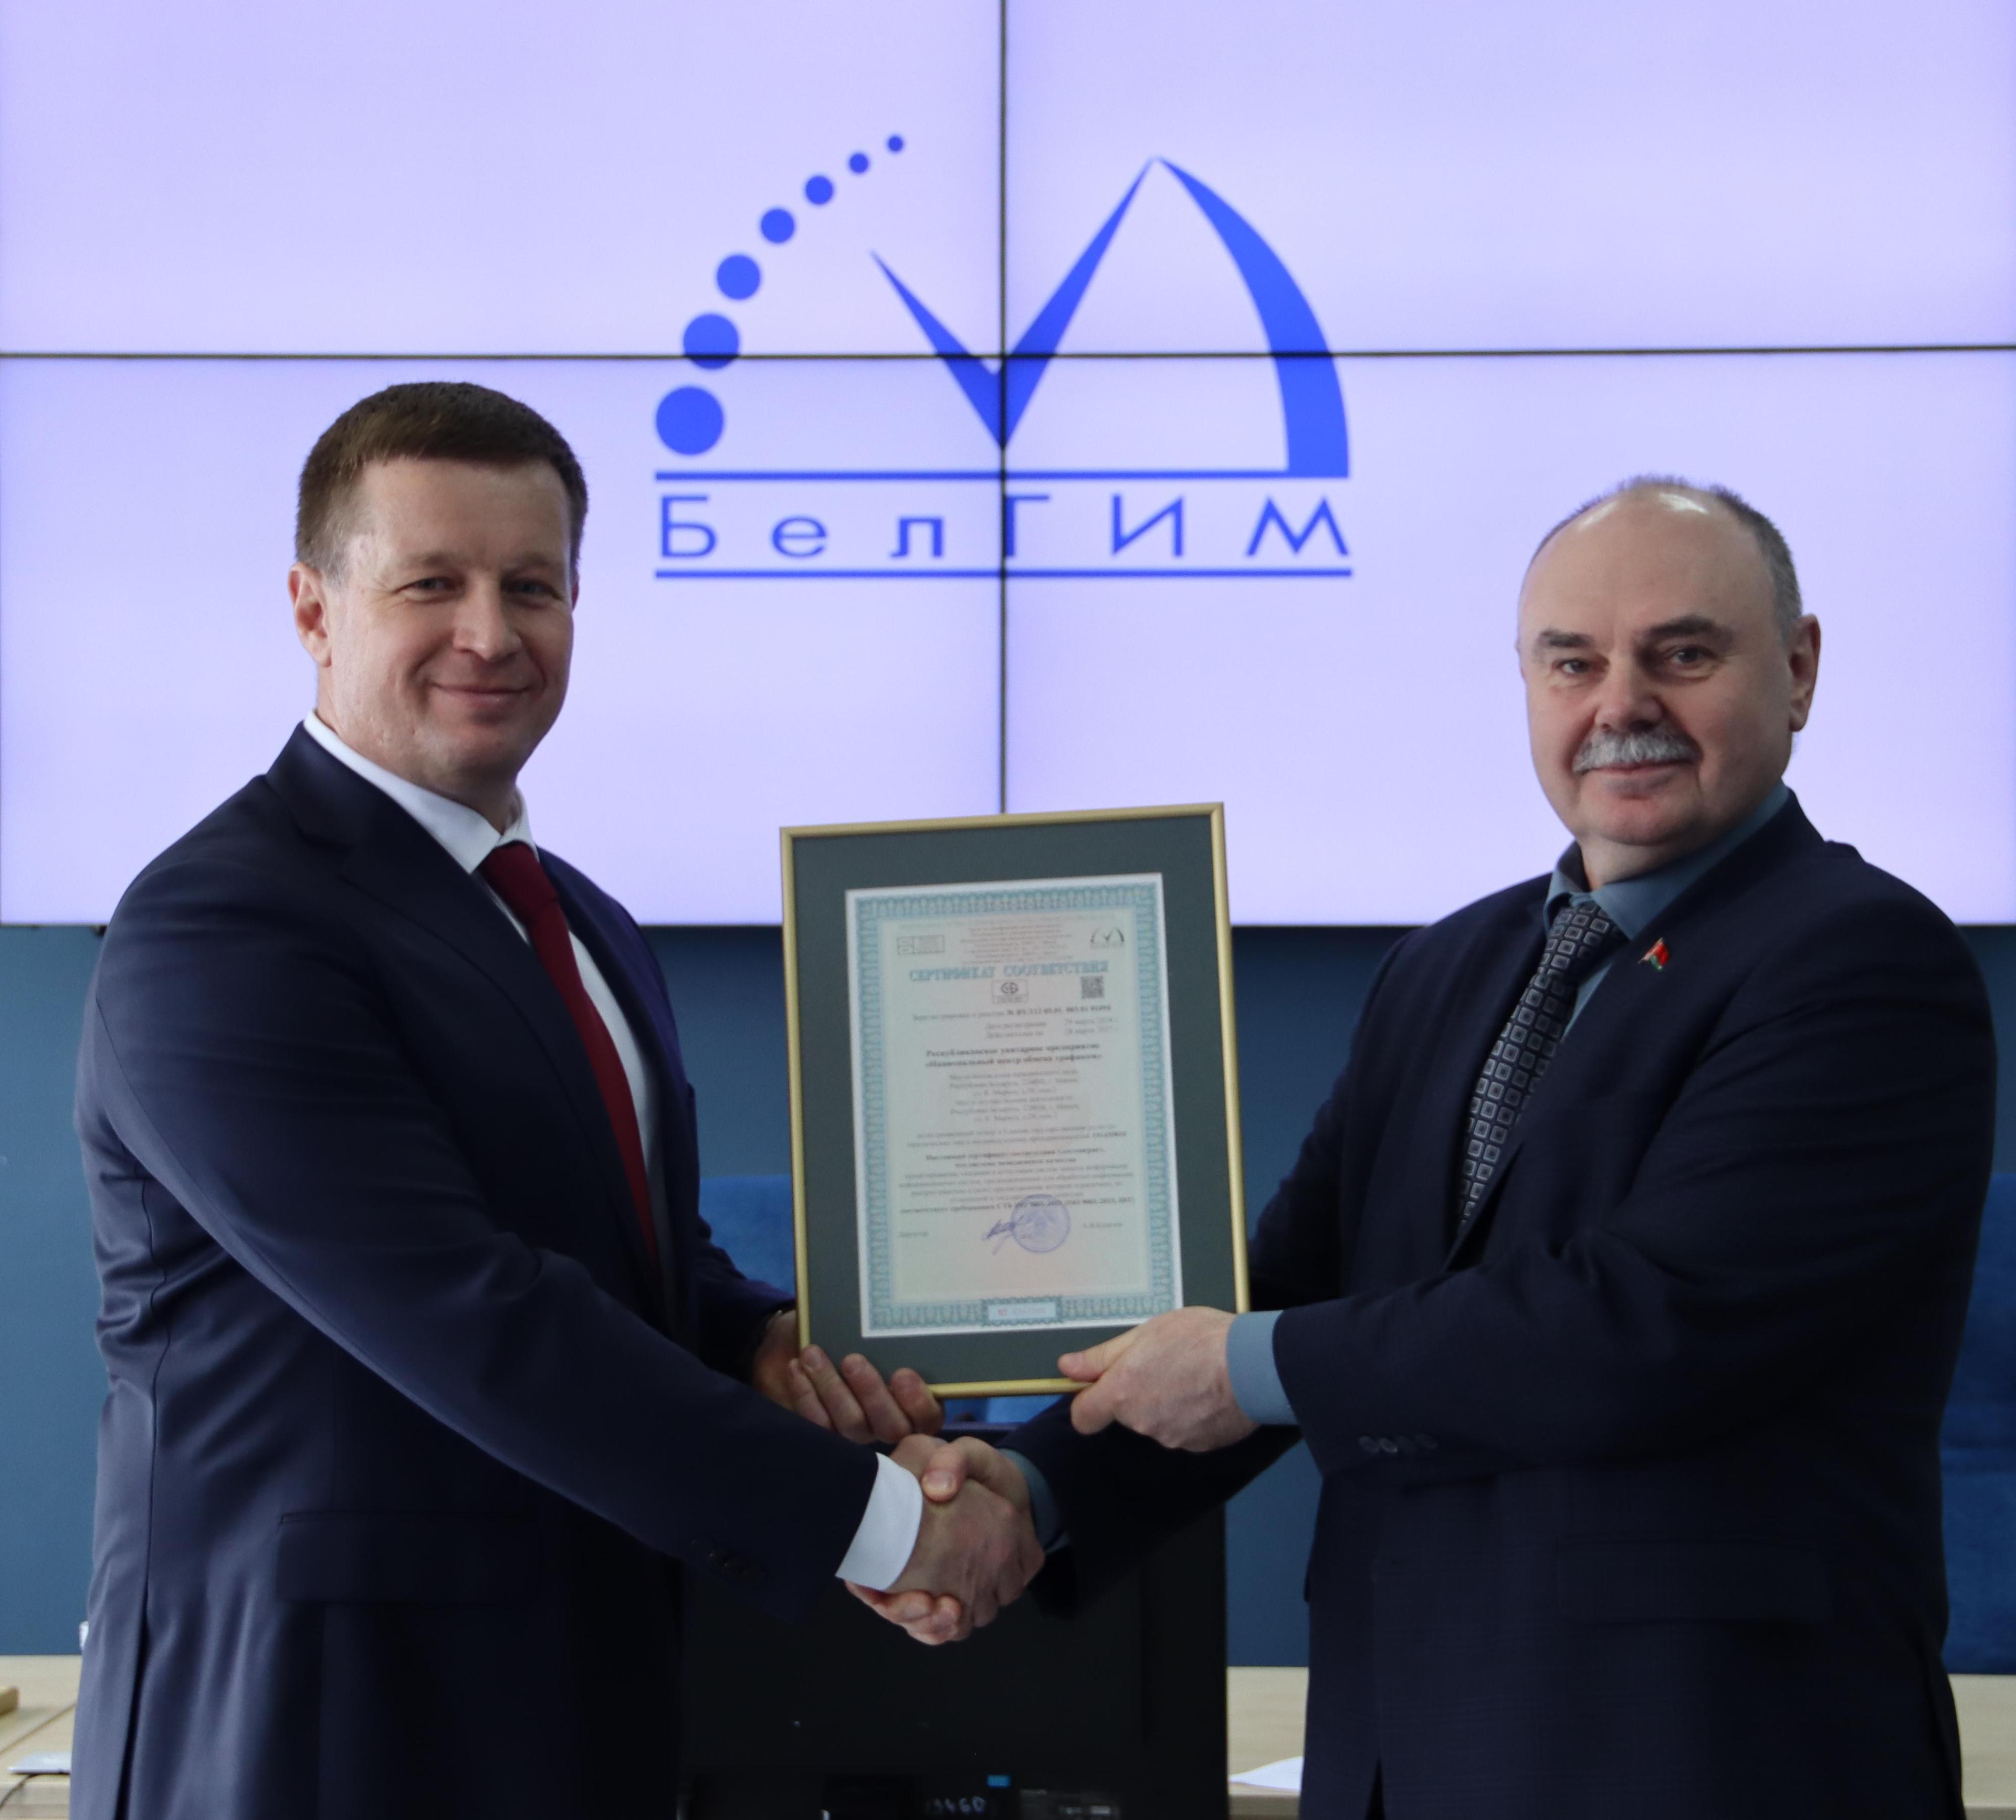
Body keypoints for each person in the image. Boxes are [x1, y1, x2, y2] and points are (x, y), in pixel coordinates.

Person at [883, 478, 1998, 1819]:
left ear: (1800, 669)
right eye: (1572, 662)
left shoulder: (1862, 961)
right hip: (1400, 1747)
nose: (1622, 704)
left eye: (1684, 654)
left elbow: (1644, 1326)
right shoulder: (1445, 967)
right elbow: (1286, 1290)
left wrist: (1248, 1365)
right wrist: (1032, 1484)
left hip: (1705, 1755)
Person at [70, 381, 1040, 1820]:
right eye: (431, 584)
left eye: (532, 586)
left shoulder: (578, 918)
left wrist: (760, 1342)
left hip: (579, 1705)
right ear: (313, 610)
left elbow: (617, 1252)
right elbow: (472, 1314)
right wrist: (886, 1524)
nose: (490, 632)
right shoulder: (221, 927)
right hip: (317, 1734)